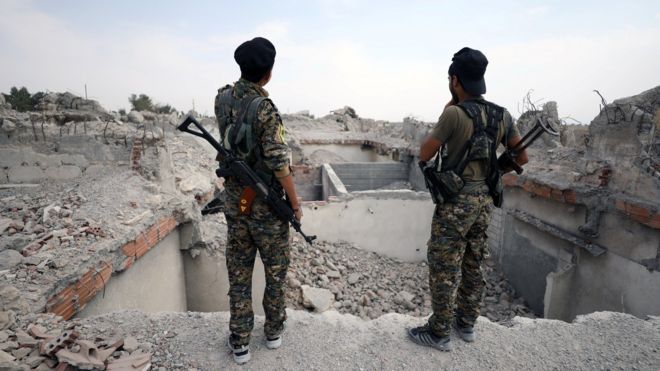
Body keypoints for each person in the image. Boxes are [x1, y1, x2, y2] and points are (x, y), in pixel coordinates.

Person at [408, 47, 528, 351]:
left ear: (455, 79)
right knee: (474, 262)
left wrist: (451, 104)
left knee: (444, 265)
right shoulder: (502, 115)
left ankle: (439, 332)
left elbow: (425, 153)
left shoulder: (453, 113)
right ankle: (467, 324)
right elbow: (522, 156)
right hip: (485, 201)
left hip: (455, 204)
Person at [215, 37, 302, 364]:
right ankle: (273, 331)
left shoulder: (222, 98)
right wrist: (294, 205)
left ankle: (239, 341)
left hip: (236, 204)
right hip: (266, 207)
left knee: (239, 273)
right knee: (275, 272)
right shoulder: (265, 109)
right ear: (268, 72)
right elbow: (279, 165)